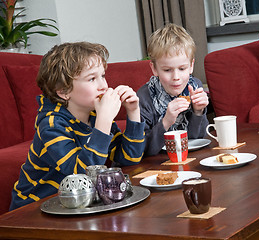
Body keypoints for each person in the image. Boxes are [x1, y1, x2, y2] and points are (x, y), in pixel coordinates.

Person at [10, 42, 145, 210]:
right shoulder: (51, 124)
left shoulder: (95, 115)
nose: (103, 85)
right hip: (35, 207)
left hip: (76, 203)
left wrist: (133, 112)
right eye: (92, 79)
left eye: (102, 75)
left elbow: (129, 158)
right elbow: (82, 175)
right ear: (63, 91)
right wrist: (103, 122)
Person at [137, 23, 209, 156]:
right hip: (157, 163)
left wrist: (198, 112)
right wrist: (166, 121)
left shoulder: (194, 86)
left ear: (191, 66)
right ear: (154, 69)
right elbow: (143, 149)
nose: (176, 77)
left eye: (182, 69)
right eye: (167, 70)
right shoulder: (144, 97)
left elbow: (199, 138)